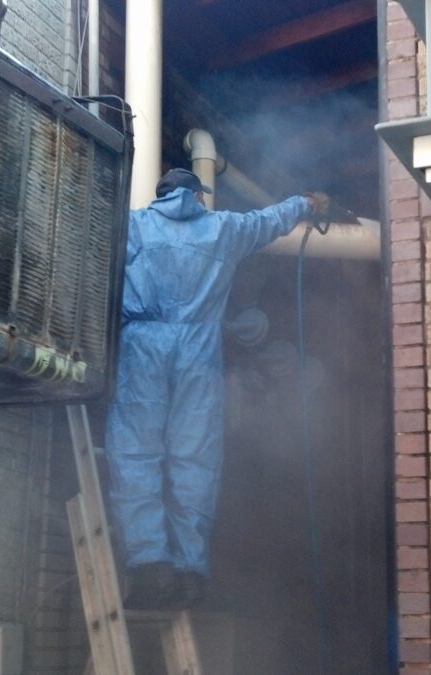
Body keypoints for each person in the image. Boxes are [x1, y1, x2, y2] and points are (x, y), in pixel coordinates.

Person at [105, 168, 328, 610]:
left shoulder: (132, 224)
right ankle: (189, 572)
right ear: (197, 196)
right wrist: (307, 202)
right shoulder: (224, 227)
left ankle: (150, 569)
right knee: (195, 457)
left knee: (135, 453)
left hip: (142, 346)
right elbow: (270, 220)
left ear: (162, 196)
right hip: (198, 351)